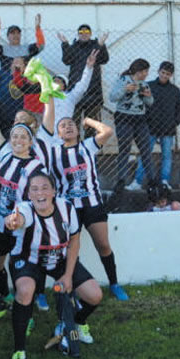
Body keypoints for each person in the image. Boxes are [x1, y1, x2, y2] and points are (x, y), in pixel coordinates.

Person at [4, 172, 103, 359]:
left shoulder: (66, 207)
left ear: (54, 191)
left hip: (58, 259)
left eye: (45, 187)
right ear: (29, 194)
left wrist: (67, 276)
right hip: (28, 259)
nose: (40, 193)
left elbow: (74, 240)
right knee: (25, 292)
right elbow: (18, 219)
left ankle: (74, 323)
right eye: (34, 189)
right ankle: (19, 351)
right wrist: (13, 221)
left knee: (95, 295)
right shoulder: (24, 209)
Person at [0, 93, 48, 308]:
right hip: (0, 223)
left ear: (30, 142)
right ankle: (5, 295)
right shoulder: (6, 154)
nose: (17, 140)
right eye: (14, 136)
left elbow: (41, 199)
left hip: (21, 227)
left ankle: (29, 300)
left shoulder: (36, 167)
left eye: (22, 137)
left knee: (22, 268)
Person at [51, 115, 129, 300]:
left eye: (71, 124)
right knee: (71, 250)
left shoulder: (88, 146)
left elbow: (108, 131)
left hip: (92, 205)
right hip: (69, 210)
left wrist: (88, 121)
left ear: (78, 131)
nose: (68, 127)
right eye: (63, 126)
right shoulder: (53, 153)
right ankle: (74, 288)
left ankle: (114, 283)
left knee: (103, 245)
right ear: (59, 134)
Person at [133, 61, 180, 189]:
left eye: (167, 74)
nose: (164, 76)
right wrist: (143, 122)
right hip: (150, 127)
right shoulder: (148, 86)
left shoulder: (175, 90)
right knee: (144, 154)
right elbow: (140, 104)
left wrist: (175, 122)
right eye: (163, 73)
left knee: (167, 156)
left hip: (168, 128)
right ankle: (137, 182)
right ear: (158, 71)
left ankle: (165, 181)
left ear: (171, 75)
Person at [109, 58, 154, 192]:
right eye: (145, 71)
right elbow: (112, 97)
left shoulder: (144, 84)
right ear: (138, 71)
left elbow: (150, 103)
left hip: (140, 119)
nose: (146, 74)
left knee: (146, 151)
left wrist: (148, 96)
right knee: (124, 150)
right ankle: (121, 181)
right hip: (124, 118)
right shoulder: (123, 80)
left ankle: (152, 181)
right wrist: (125, 90)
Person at [59, 25, 110, 136]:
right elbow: (66, 60)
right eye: (81, 32)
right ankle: (74, 150)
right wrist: (65, 44)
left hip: (93, 92)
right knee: (73, 125)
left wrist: (101, 45)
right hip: (75, 92)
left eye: (86, 31)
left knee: (91, 126)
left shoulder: (96, 45)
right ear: (78, 34)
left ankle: (89, 150)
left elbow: (104, 59)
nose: (84, 34)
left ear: (90, 33)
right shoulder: (74, 46)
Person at [53, 49, 98, 122]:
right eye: (54, 81)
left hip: (63, 128)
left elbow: (82, 85)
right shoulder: (47, 95)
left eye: (58, 81)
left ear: (64, 86)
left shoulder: (70, 97)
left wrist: (88, 68)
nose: (55, 83)